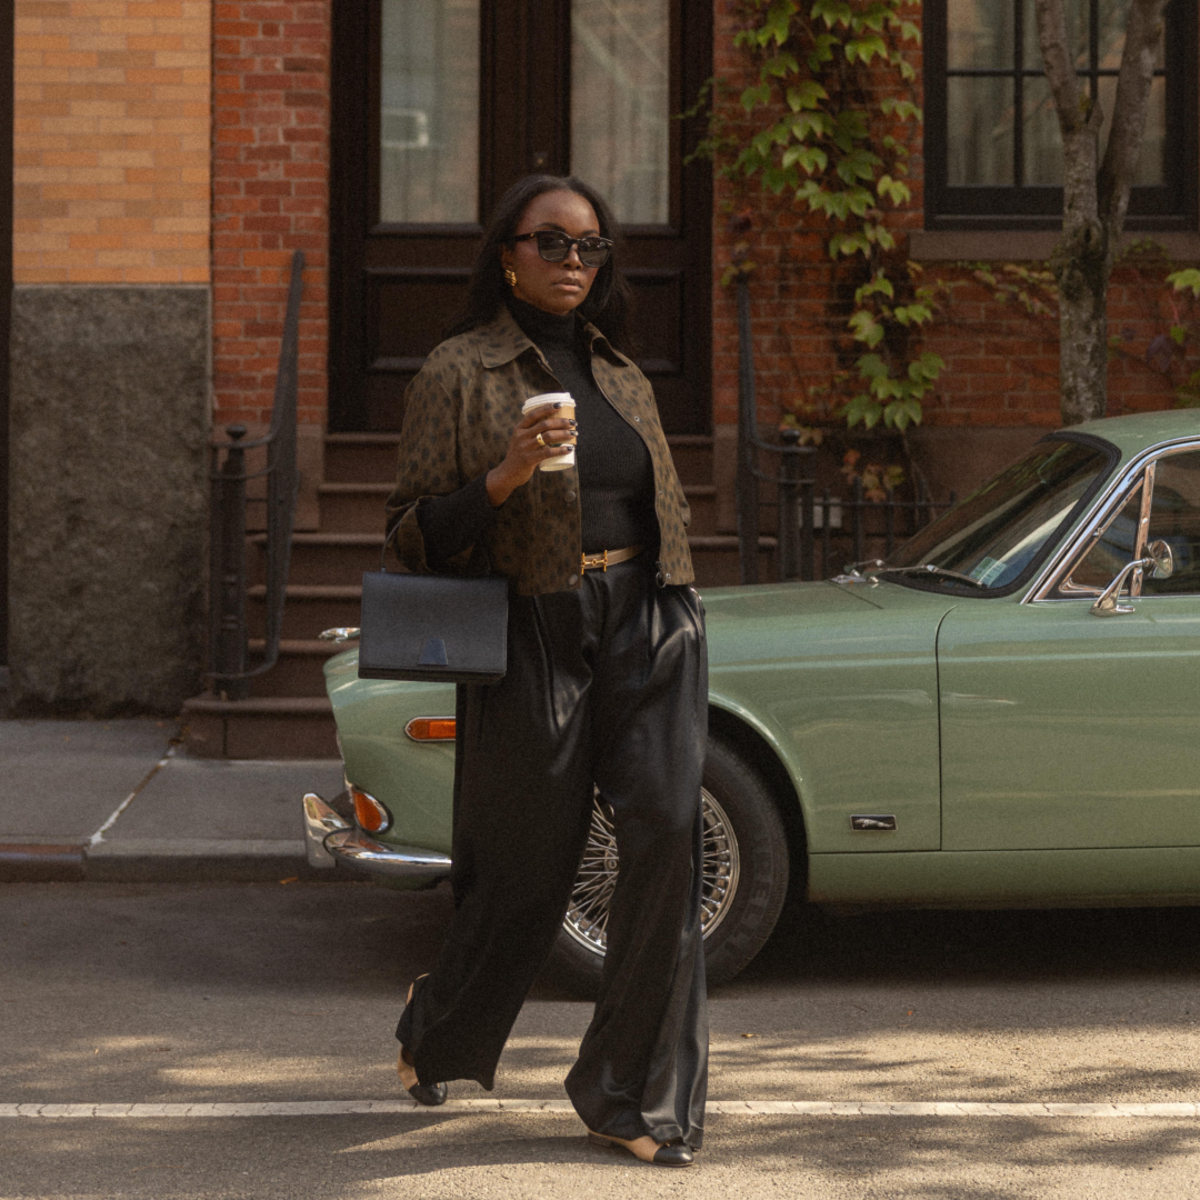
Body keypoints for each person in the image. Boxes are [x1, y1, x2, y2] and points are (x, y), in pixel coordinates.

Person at [383, 174, 708, 1168]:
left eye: (592, 248)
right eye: (554, 243)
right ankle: (438, 1029)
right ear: (507, 255)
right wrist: (507, 475)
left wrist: (681, 606)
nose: (575, 263)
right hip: (535, 620)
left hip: (649, 614)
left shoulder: (623, 372)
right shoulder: (459, 371)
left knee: (664, 834)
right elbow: (411, 534)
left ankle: (632, 1096)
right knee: (528, 868)